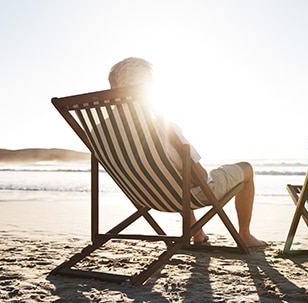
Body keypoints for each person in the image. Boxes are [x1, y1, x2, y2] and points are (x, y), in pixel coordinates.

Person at [108, 57, 266, 247]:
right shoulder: (162, 126)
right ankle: (245, 235)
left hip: (144, 194)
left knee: (177, 176)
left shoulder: (103, 131)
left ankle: (197, 231)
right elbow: (200, 175)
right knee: (244, 169)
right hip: (178, 194)